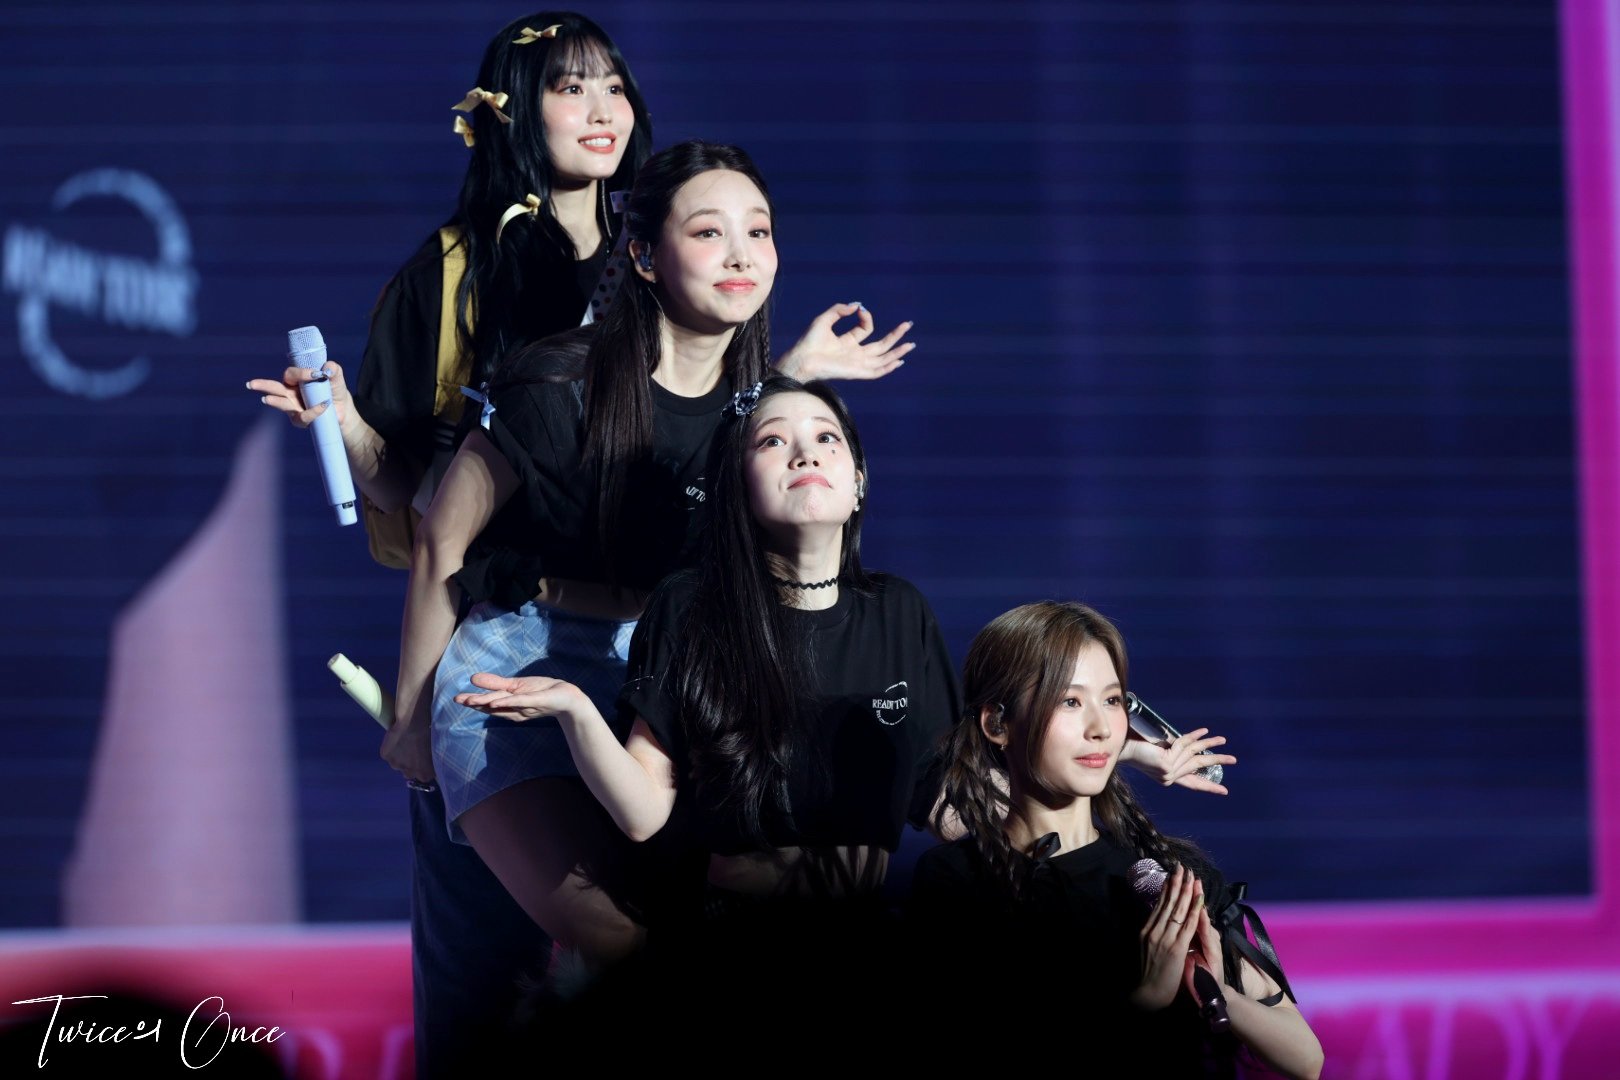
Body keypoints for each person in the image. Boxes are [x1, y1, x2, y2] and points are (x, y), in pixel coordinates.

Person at [246, 16, 912, 1070]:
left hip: (663, 676)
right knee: (528, 969)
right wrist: (413, 715)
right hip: (516, 658)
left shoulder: (750, 386)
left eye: (760, 231)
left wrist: (797, 384)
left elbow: (727, 451)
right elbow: (436, 522)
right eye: (569, 88)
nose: (603, 110)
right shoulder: (500, 317)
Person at [908, 601, 1323, 1079]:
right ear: (997, 724)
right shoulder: (957, 882)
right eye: (1069, 702)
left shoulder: (1166, 877)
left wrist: (1214, 990)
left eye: (1111, 701)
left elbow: (1306, 1060)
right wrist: (1143, 999)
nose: (1101, 728)